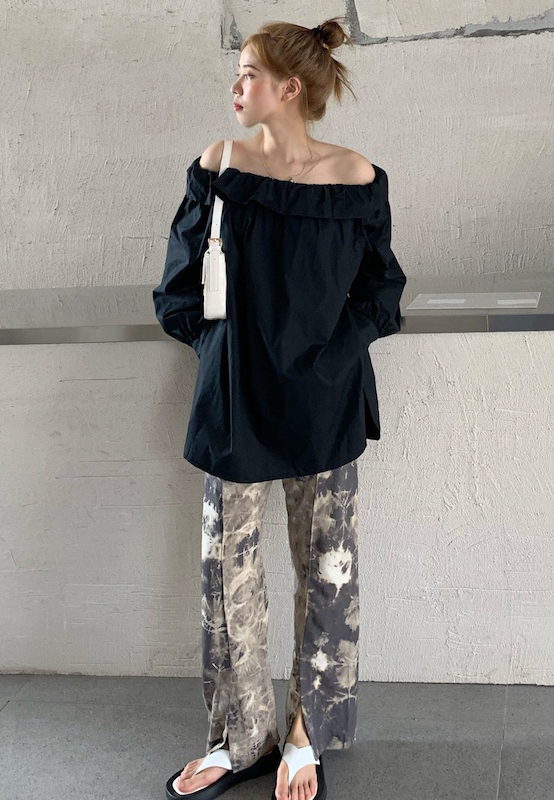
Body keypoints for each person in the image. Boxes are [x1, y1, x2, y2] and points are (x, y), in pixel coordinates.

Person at [154, 17, 406, 800]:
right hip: (234, 400)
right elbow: (177, 288)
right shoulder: (218, 166)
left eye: (249, 75)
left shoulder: (357, 178)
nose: (236, 88)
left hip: (325, 402)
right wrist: (221, 354)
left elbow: (381, 293)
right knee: (225, 575)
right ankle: (239, 739)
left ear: (289, 87)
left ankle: (306, 734)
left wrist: (330, 358)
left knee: (328, 570)